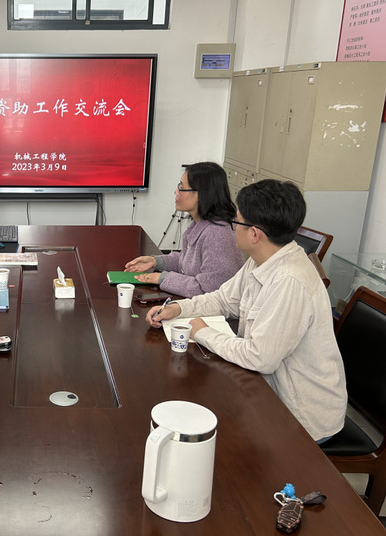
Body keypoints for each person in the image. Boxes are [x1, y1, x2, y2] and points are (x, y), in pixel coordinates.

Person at [147, 179, 346, 442]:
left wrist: (202, 333)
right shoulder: (264, 258)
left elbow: (259, 358)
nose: (232, 228)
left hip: (299, 418)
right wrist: (178, 308)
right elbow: (223, 300)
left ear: (254, 234)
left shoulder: (289, 281)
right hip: (266, 393)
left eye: (236, 222)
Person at [124, 162, 244, 297]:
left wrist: (162, 278)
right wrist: (155, 261)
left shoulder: (217, 234)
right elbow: (187, 263)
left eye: (181, 188)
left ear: (200, 194)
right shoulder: (201, 224)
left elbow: (209, 290)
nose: (176, 192)